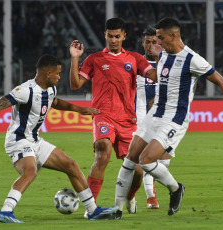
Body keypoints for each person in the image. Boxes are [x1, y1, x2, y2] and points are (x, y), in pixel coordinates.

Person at [111, 17, 223, 219]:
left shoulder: (192, 59)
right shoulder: (162, 56)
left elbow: (221, 81)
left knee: (145, 162)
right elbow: (164, 80)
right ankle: (116, 211)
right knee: (129, 161)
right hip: (154, 116)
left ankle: (175, 188)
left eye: (161, 38)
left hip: (174, 119)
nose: (158, 43)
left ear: (173, 35)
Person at [0, 54, 118, 223]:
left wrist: (80, 109)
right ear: (48, 74)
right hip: (18, 140)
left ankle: (92, 210)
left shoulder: (50, 89)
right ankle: (5, 211)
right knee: (30, 171)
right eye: (58, 73)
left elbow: (56, 103)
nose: (59, 77)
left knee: (71, 165)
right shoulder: (25, 90)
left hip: (35, 140)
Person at [69, 18, 157, 216]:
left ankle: (130, 196)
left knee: (137, 171)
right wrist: (75, 58)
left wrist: (160, 59)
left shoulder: (135, 58)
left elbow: (155, 76)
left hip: (127, 120)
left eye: (117, 36)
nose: (114, 40)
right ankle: (91, 208)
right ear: (105, 35)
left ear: (124, 36)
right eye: (110, 36)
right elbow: (75, 85)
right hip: (103, 115)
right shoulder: (94, 59)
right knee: (102, 153)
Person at [136, 27, 171, 210]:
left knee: (164, 160)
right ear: (143, 43)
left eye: (154, 41)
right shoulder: (136, 62)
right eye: (147, 42)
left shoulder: (168, 61)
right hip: (140, 119)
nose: (150, 45)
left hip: (164, 116)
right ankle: (151, 197)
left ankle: (136, 195)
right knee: (145, 159)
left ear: (160, 42)